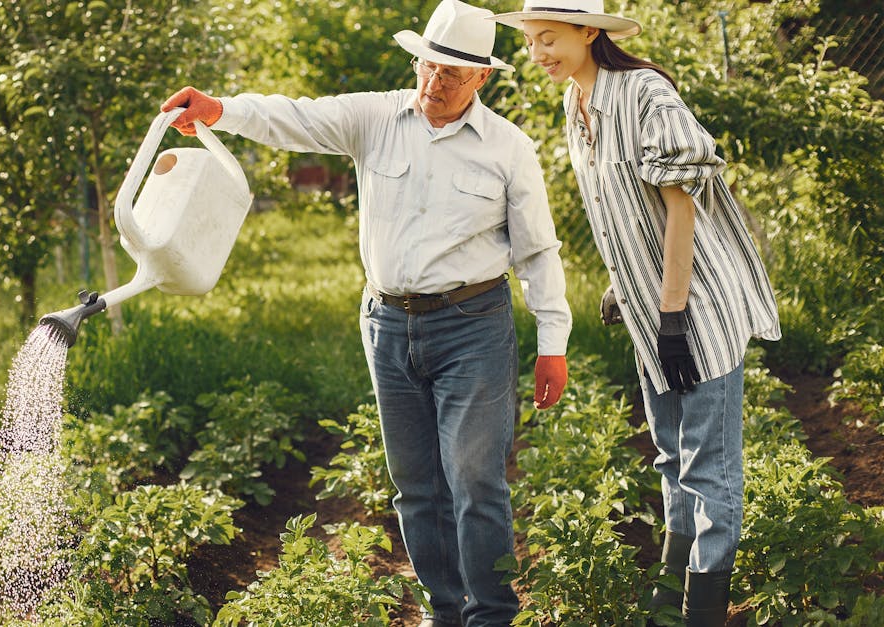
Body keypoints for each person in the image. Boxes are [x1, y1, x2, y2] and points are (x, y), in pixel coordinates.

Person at [161, 1, 570, 625]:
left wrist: (553, 340)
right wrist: (221, 110)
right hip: (387, 325)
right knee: (415, 485)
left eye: (453, 74)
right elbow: (294, 117)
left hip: (473, 326)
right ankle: (445, 608)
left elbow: (538, 250)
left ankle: (491, 613)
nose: (435, 83)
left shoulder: (509, 149)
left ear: (482, 77)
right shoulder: (375, 116)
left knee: (475, 480)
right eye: (428, 67)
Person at [489, 2, 781, 625]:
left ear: (590, 32)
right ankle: (670, 598)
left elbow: (682, 208)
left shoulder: (644, 93)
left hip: (695, 306)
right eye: (531, 41)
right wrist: (626, 284)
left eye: (549, 39)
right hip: (651, 309)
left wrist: (673, 312)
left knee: (709, 467)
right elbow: (619, 208)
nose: (537, 53)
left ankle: (703, 611)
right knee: (671, 459)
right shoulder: (576, 103)